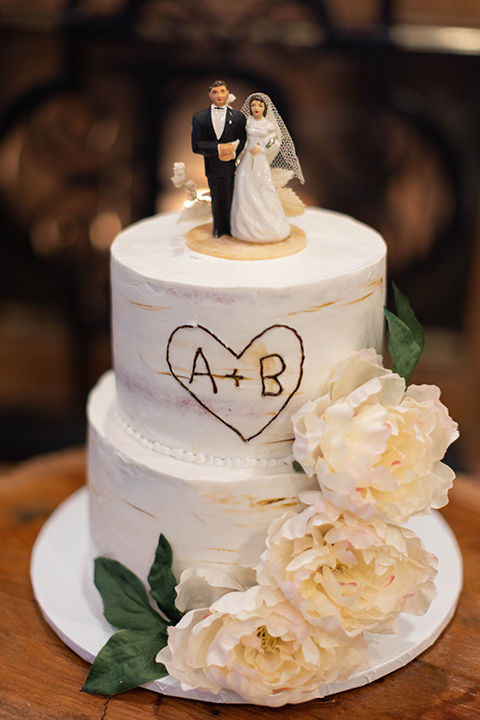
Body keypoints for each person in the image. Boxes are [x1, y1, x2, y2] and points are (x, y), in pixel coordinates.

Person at [231, 92, 304, 243]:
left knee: (262, 186)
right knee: (244, 186)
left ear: (264, 108)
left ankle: (268, 225)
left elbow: (275, 141)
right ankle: (245, 226)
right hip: (247, 159)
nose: (256, 108)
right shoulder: (247, 123)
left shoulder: (268, 125)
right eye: (253, 105)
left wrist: (261, 148)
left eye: (259, 105)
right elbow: (241, 139)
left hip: (259, 160)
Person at [192, 81, 247, 238]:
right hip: (212, 166)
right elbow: (196, 145)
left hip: (230, 166)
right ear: (210, 95)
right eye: (215, 92)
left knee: (230, 196)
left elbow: (242, 140)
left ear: (228, 93)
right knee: (216, 198)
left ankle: (230, 229)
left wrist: (234, 152)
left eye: (222, 91)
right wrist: (218, 149)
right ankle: (218, 229)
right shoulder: (199, 118)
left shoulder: (238, 118)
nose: (219, 95)